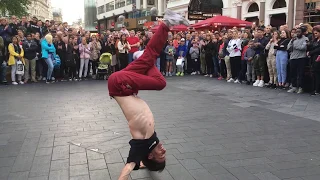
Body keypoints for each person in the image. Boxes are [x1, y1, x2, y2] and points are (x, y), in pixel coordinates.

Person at [107, 9, 189, 180]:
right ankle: (166, 25)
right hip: (126, 87)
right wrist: (144, 163)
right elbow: (142, 160)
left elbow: (129, 164)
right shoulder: (152, 142)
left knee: (160, 83)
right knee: (150, 56)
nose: (164, 150)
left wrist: (125, 174)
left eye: (161, 155)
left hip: (119, 85)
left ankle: (142, 58)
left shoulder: (142, 143)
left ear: (151, 155)